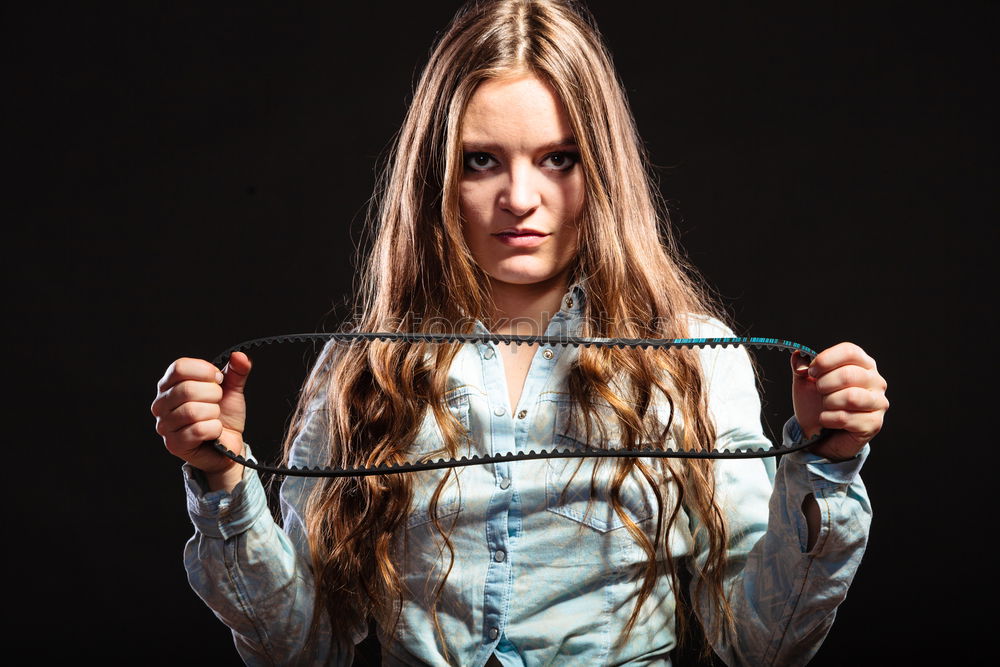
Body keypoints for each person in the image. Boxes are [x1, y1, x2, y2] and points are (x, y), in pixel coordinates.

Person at [150, 1, 889, 665]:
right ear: (437, 177)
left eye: (557, 159)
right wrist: (223, 479)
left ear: (599, 172)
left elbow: (762, 641)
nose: (520, 199)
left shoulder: (693, 358)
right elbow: (297, 648)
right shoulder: (362, 367)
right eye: (481, 161)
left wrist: (827, 462)